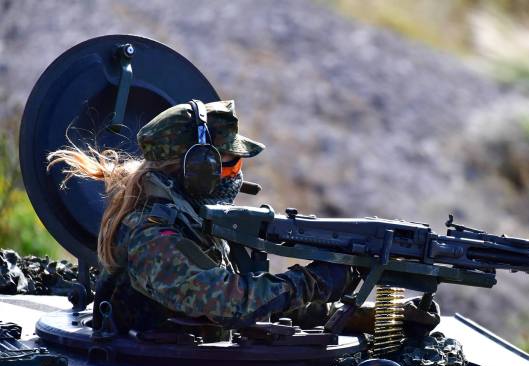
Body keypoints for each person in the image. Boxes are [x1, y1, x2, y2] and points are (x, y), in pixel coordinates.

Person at [48, 100, 355, 334]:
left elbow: (249, 297)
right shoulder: (152, 236)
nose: (237, 176)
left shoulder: (189, 220)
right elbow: (227, 301)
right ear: (198, 171)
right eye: (231, 166)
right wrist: (312, 282)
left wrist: (339, 307)